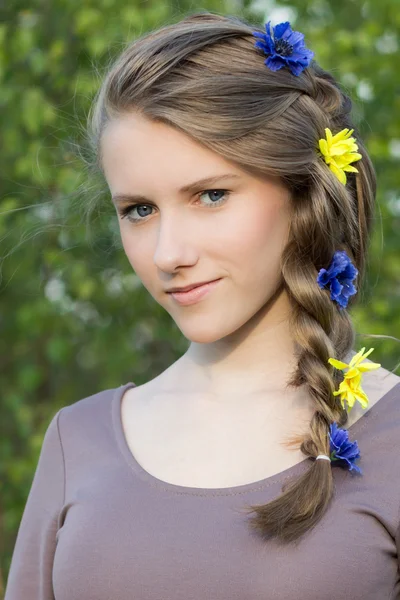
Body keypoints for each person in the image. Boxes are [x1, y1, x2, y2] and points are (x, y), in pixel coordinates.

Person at [5, 11, 400, 600]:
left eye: (211, 195)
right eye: (139, 209)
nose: (169, 253)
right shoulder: (76, 440)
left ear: (303, 194)